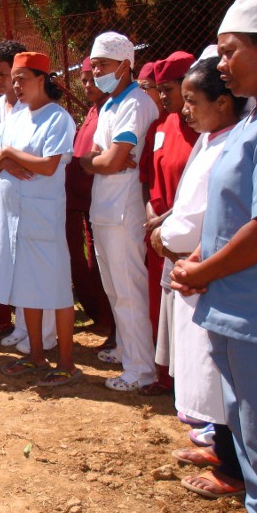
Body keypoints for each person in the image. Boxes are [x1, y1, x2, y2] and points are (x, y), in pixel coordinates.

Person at [171, 0, 257, 513]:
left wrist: (202, 270)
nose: (222, 65)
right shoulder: (256, 119)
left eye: (232, 52)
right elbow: (233, 211)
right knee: (254, 450)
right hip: (233, 308)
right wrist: (201, 254)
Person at [155, 54, 247, 500]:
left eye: (193, 101)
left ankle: (233, 469)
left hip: (209, 270)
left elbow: (204, 215)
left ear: (225, 103)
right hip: (189, 265)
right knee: (203, 370)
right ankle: (219, 447)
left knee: (219, 373)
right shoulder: (210, 139)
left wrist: (166, 237)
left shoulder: (234, 144)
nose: (184, 109)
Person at [0, 52, 81, 386]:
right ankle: (36, 356)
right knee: (27, 289)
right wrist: (8, 160)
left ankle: (66, 362)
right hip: (14, 217)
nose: (16, 85)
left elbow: (49, 165)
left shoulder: (58, 118)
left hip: (43, 218)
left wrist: (10, 155)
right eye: (14, 78)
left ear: (42, 79)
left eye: (23, 78)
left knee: (55, 291)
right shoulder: (17, 116)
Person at [80, 32, 158, 391]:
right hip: (104, 209)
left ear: (126, 65)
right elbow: (92, 159)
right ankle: (127, 349)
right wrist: (101, 161)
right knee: (114, 288)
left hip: (124, 211)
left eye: (103, 65)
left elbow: (109, 159)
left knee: (129, 290)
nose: (96, 72)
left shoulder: (135, 103)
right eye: (94, 65)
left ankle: (141, 369)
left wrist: (102, 160)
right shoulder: (110, 104)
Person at [0, 40, 56, 347]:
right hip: (5, 199)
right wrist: (3, 164)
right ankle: (24, 327)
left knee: (39, 270)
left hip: (35, 200)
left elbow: (39, 158)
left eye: (4, 73)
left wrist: (9, 161)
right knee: (16, 269)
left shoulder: (40, 110)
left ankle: (47, 333)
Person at [141, 51, 199, 396]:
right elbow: (149, 177)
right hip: (160, 233)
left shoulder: (201, 129)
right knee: (162, 307)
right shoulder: (160, 126)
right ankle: (165, 374)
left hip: (188, 231)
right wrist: (151, 213)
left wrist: (167, 218)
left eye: (169, 89)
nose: (163, 96)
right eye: (159, 89)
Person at [66, 58, 115, 348]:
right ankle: (98, 313)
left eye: (91, 79)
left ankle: (110, 322)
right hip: (79, 200)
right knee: (87, 261)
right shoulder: (92, 112)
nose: (87, 85)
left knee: (102, 264)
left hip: (99, 199)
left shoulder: (110, 112)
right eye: (83, 80)